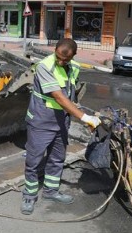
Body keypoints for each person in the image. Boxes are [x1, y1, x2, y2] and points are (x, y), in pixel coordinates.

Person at [21, 38, 101, 215]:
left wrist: (77, 108)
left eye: (65, 59)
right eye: (58, 57)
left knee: (57, 158)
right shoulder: (44, 66)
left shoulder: (73, 67)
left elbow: (69, 94)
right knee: (33, 160)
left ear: (73, 56)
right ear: (55, 50)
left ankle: (50, 191)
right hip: (41, 121)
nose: (61, 61)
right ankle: (29, 195)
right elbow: (58, 96)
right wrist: (84, 117)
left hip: (61, 121)